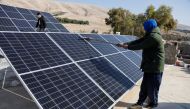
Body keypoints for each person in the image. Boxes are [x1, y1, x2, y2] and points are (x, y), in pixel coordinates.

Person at [117, 19, 165, 109]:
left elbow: (141, 45)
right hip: (149, 65)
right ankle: (139, 104)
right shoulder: (150, 34)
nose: (144, 29)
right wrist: (125, 43)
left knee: (153, 88)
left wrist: (127, 47)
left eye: (145, 27)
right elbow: (139, 41)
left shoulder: (154, 37)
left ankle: (153, 105)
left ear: (148, 27)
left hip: (155, 67)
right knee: (144, 87)